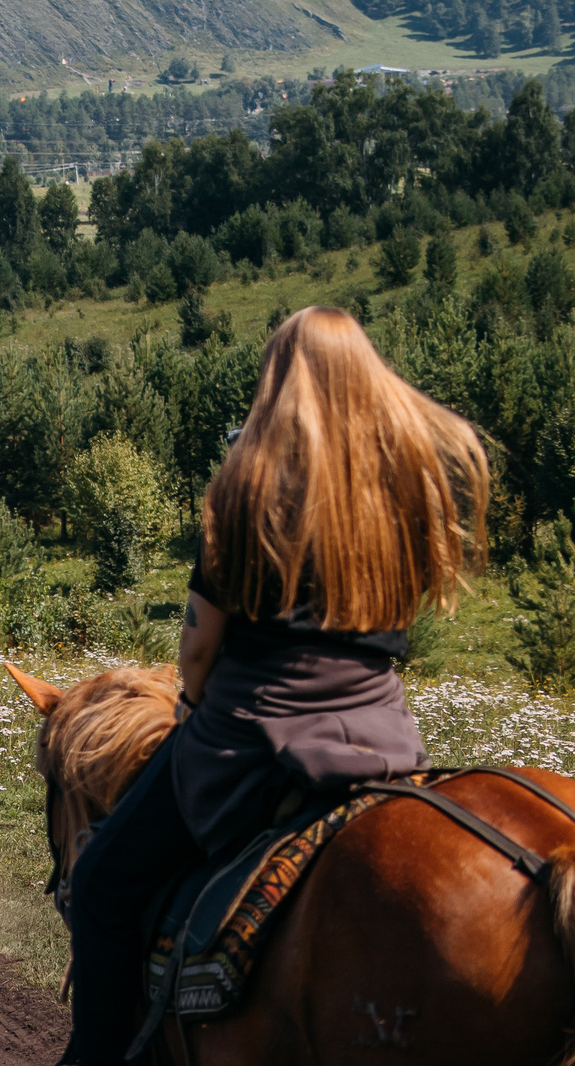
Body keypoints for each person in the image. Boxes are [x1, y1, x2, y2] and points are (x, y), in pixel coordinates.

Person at [59, 307, 485, 1065]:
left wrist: (192, 710)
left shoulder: (247, 483)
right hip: (384, 738)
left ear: (280, 382)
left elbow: (198, 651)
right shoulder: (403, 490)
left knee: (99, 882)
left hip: (249, 742)